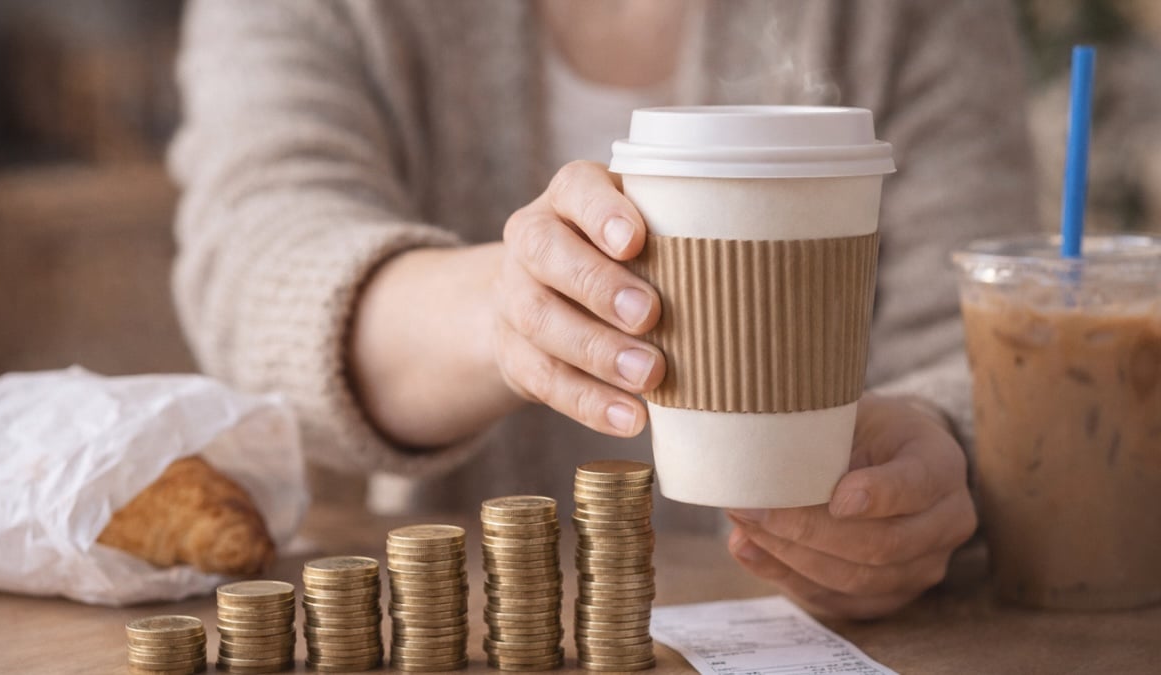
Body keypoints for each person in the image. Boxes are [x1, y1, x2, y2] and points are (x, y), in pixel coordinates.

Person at [169, 0, 1037, 619]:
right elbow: (256, 258)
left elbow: (986, 329)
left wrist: (932, 464)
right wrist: (508, 315)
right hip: (480, 624)